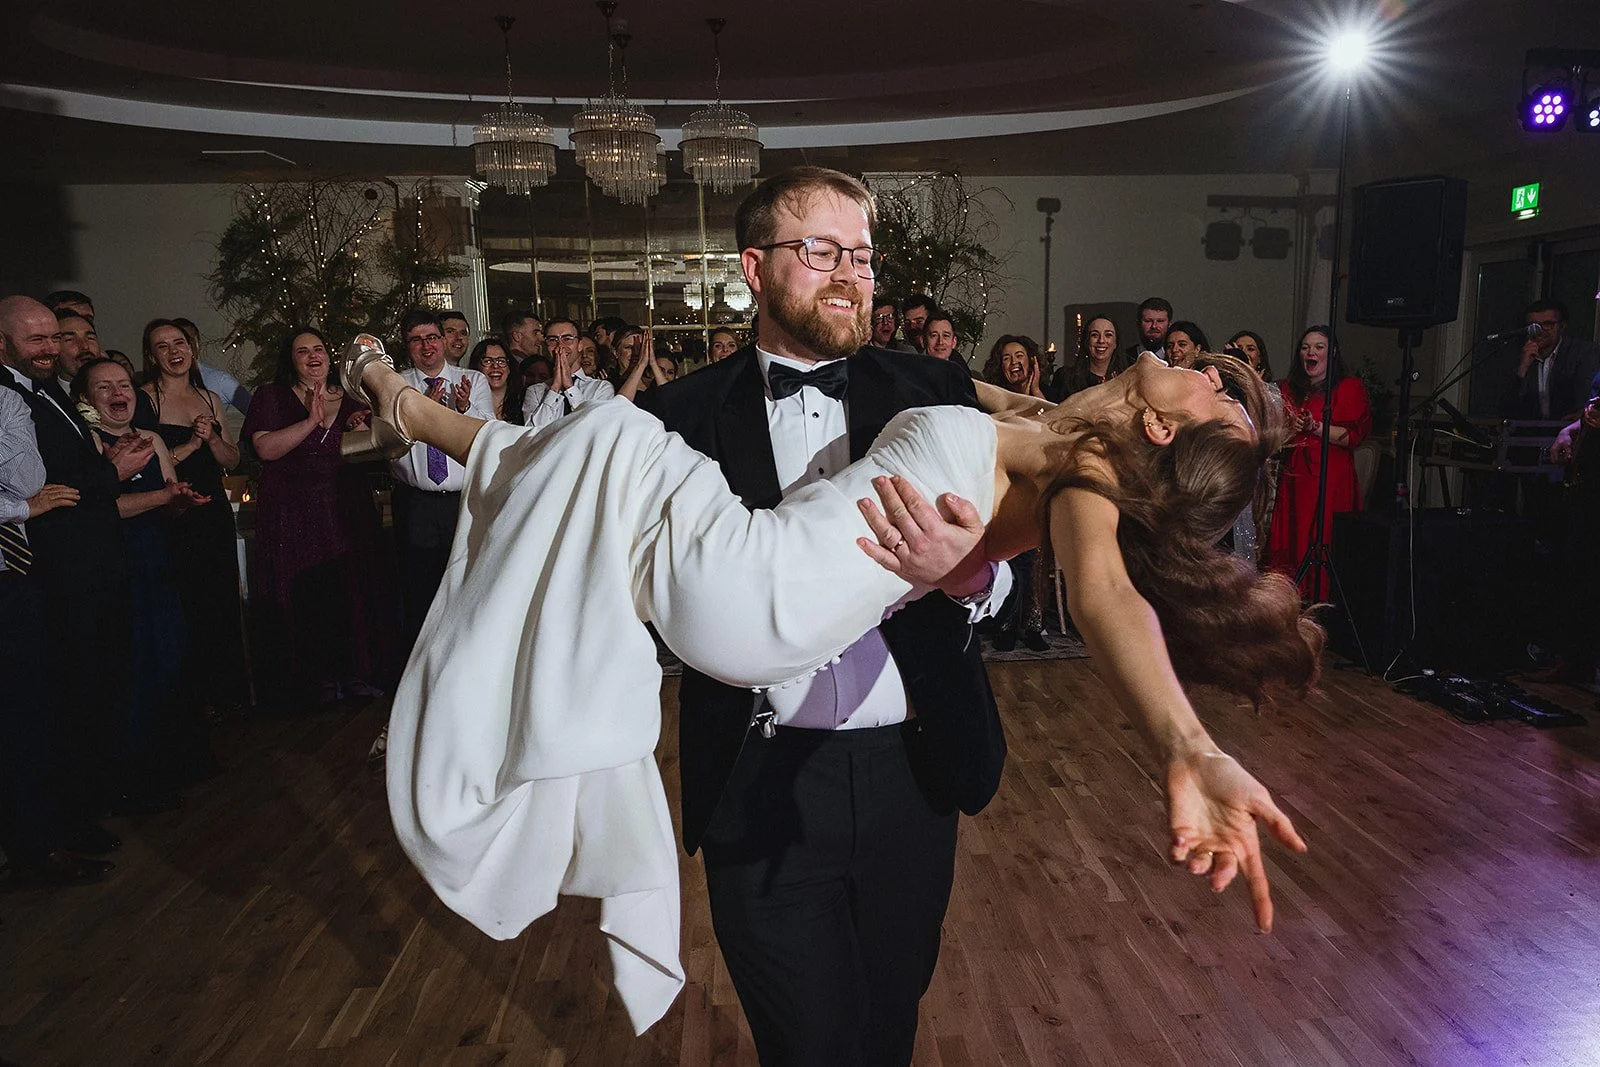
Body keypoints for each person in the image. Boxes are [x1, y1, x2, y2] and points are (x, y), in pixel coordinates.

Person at [345, 323, 1315, 1046]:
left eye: (1220, 392)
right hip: (758, 607)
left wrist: (1189, 745)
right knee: (595, 458)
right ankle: (409, 411)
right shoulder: (1047, 425)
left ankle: (409, 410)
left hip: (755, 586)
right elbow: (927, 384)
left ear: (1155, 426)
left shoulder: (1088, 475)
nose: (1211, 369)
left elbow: (1105, 595)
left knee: (608, 442)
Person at [0, 296, 162, 822]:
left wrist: (105, 467)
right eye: (37, 339)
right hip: (57, 570)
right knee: (70, 696)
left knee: (103, 685)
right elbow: (46, 488)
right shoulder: (9, 397)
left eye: (54, 337)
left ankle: (104, 796)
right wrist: (110, 474)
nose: (50, 348)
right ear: (3, 343)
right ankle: (75, 816)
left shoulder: (47, 391)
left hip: (92, 560)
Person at [75, 358, 209, 792]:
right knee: (134, 663)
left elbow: (168, 498)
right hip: (118, 561)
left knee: (171, 652)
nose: (119, 393)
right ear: (88, 400)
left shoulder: (150, 437)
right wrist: (161, 497)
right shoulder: (89, 445)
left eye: (124, 385)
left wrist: (182, 501)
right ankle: (139, 773)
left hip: (160, 556)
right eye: (104, 388)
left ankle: (181, 760)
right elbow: (100, 510)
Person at [242, 328, 395, 704]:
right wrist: (310, 421)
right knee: (305, 595)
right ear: (290, 360)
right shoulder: (272, 396)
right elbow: (265, 449)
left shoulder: (353, 397)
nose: (313, 357)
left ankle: (357, 674)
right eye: (302, 351)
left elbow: (379, 449)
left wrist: (364, 430)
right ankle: (314, 681)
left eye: (319, 349)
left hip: (344, 506)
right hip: (292, 511)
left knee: (350, 590)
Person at [0, 381, 113, 885]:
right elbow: (29, 482)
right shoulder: (6, 401)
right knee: (23, 713)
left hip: (14, 572)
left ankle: (40, 842)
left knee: (29, 712)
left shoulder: (12, 399)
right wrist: (22, 508)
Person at [140, 320, 248, 719]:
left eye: (180, 342)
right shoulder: (144, 399)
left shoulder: (208, 396)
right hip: (173, 511)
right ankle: (194, 697)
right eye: (162, 346)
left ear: (192, 347)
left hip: (211, 508)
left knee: (220, 597)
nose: (174, 351)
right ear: (151, 356)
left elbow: (231, 459)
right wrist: (190, 444)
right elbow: (148, 462)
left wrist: (215, 439)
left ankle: (229, 693)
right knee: (187, 602)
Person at [391, 308, 493, 652]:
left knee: (467, 582)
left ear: (444, 340)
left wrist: (461, 410)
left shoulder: (472, 381)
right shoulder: (397, 385)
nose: (426, 346)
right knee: (420, 589)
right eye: (416, 340)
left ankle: (466, 657)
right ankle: (424, 666)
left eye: (432, 337)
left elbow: (487, 432)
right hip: (416, 501)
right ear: (407, 346)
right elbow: (390, 441)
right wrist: (421, 411)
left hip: (462, 500)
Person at [1266, 326, 1372, 599]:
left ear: (1333, 352)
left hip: (1330, 476)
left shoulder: (1348, 388)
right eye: (1305, 347)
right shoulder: (1288, 388)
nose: (1310, 352)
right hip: (1295, 474)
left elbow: (1352, 436)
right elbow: (1276, 433)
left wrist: (1315, 427)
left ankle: (1323, 604)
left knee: (1324, 537)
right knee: (1292, 539)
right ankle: (1290, 602)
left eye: (1319, 347)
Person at [981, 334, 1050, 651]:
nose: (1014, 363)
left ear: (1032, 361)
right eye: (1007, 357)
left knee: (1036, 552)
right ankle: (1006, 621)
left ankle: (1034, 623)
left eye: (1020, 356)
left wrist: (1036, 392)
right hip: (1003, 489)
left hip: (1038, 491)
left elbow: (1054, 430)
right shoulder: (990, 400)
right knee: (1011, 552)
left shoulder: (1045, 400)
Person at [523, 318, 615, 429]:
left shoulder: (600, 388)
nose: (560, 346)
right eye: (553, 340)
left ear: (580, 345)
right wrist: (555, 389)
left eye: (567, 339)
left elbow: (596, 427)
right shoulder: (535, 391)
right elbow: (532, 432)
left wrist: (570, 388)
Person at [1050, 314, 1131, 401]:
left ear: (1116, 343)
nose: (1101, 341)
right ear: (1086, 341)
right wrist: (1036, 390)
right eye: (1094, 335)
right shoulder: (1066, 378)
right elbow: (1052, 411)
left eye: (1108, 335)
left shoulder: (1129, 379)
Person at [468, 337, 522, 423]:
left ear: (509, 368)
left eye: (501, 361)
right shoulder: (467, 402)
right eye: (487, 361)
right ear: (477, 367)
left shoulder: (522, 401)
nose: (495, 366)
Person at [982, 334, 1049, 401]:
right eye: (1006, 358)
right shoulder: (996, 397)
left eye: (1019, 356)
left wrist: (1036, 390)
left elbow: (1050, 411)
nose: (1013, 362)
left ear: (1032, 361)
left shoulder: (1049, 393)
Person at [1127, 297, 1173, 361]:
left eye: (1160, 321)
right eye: (1148, 321)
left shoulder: (1175, 357)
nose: (1154, 326)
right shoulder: (1125, 357)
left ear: (1169, 324)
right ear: (1138, 324)